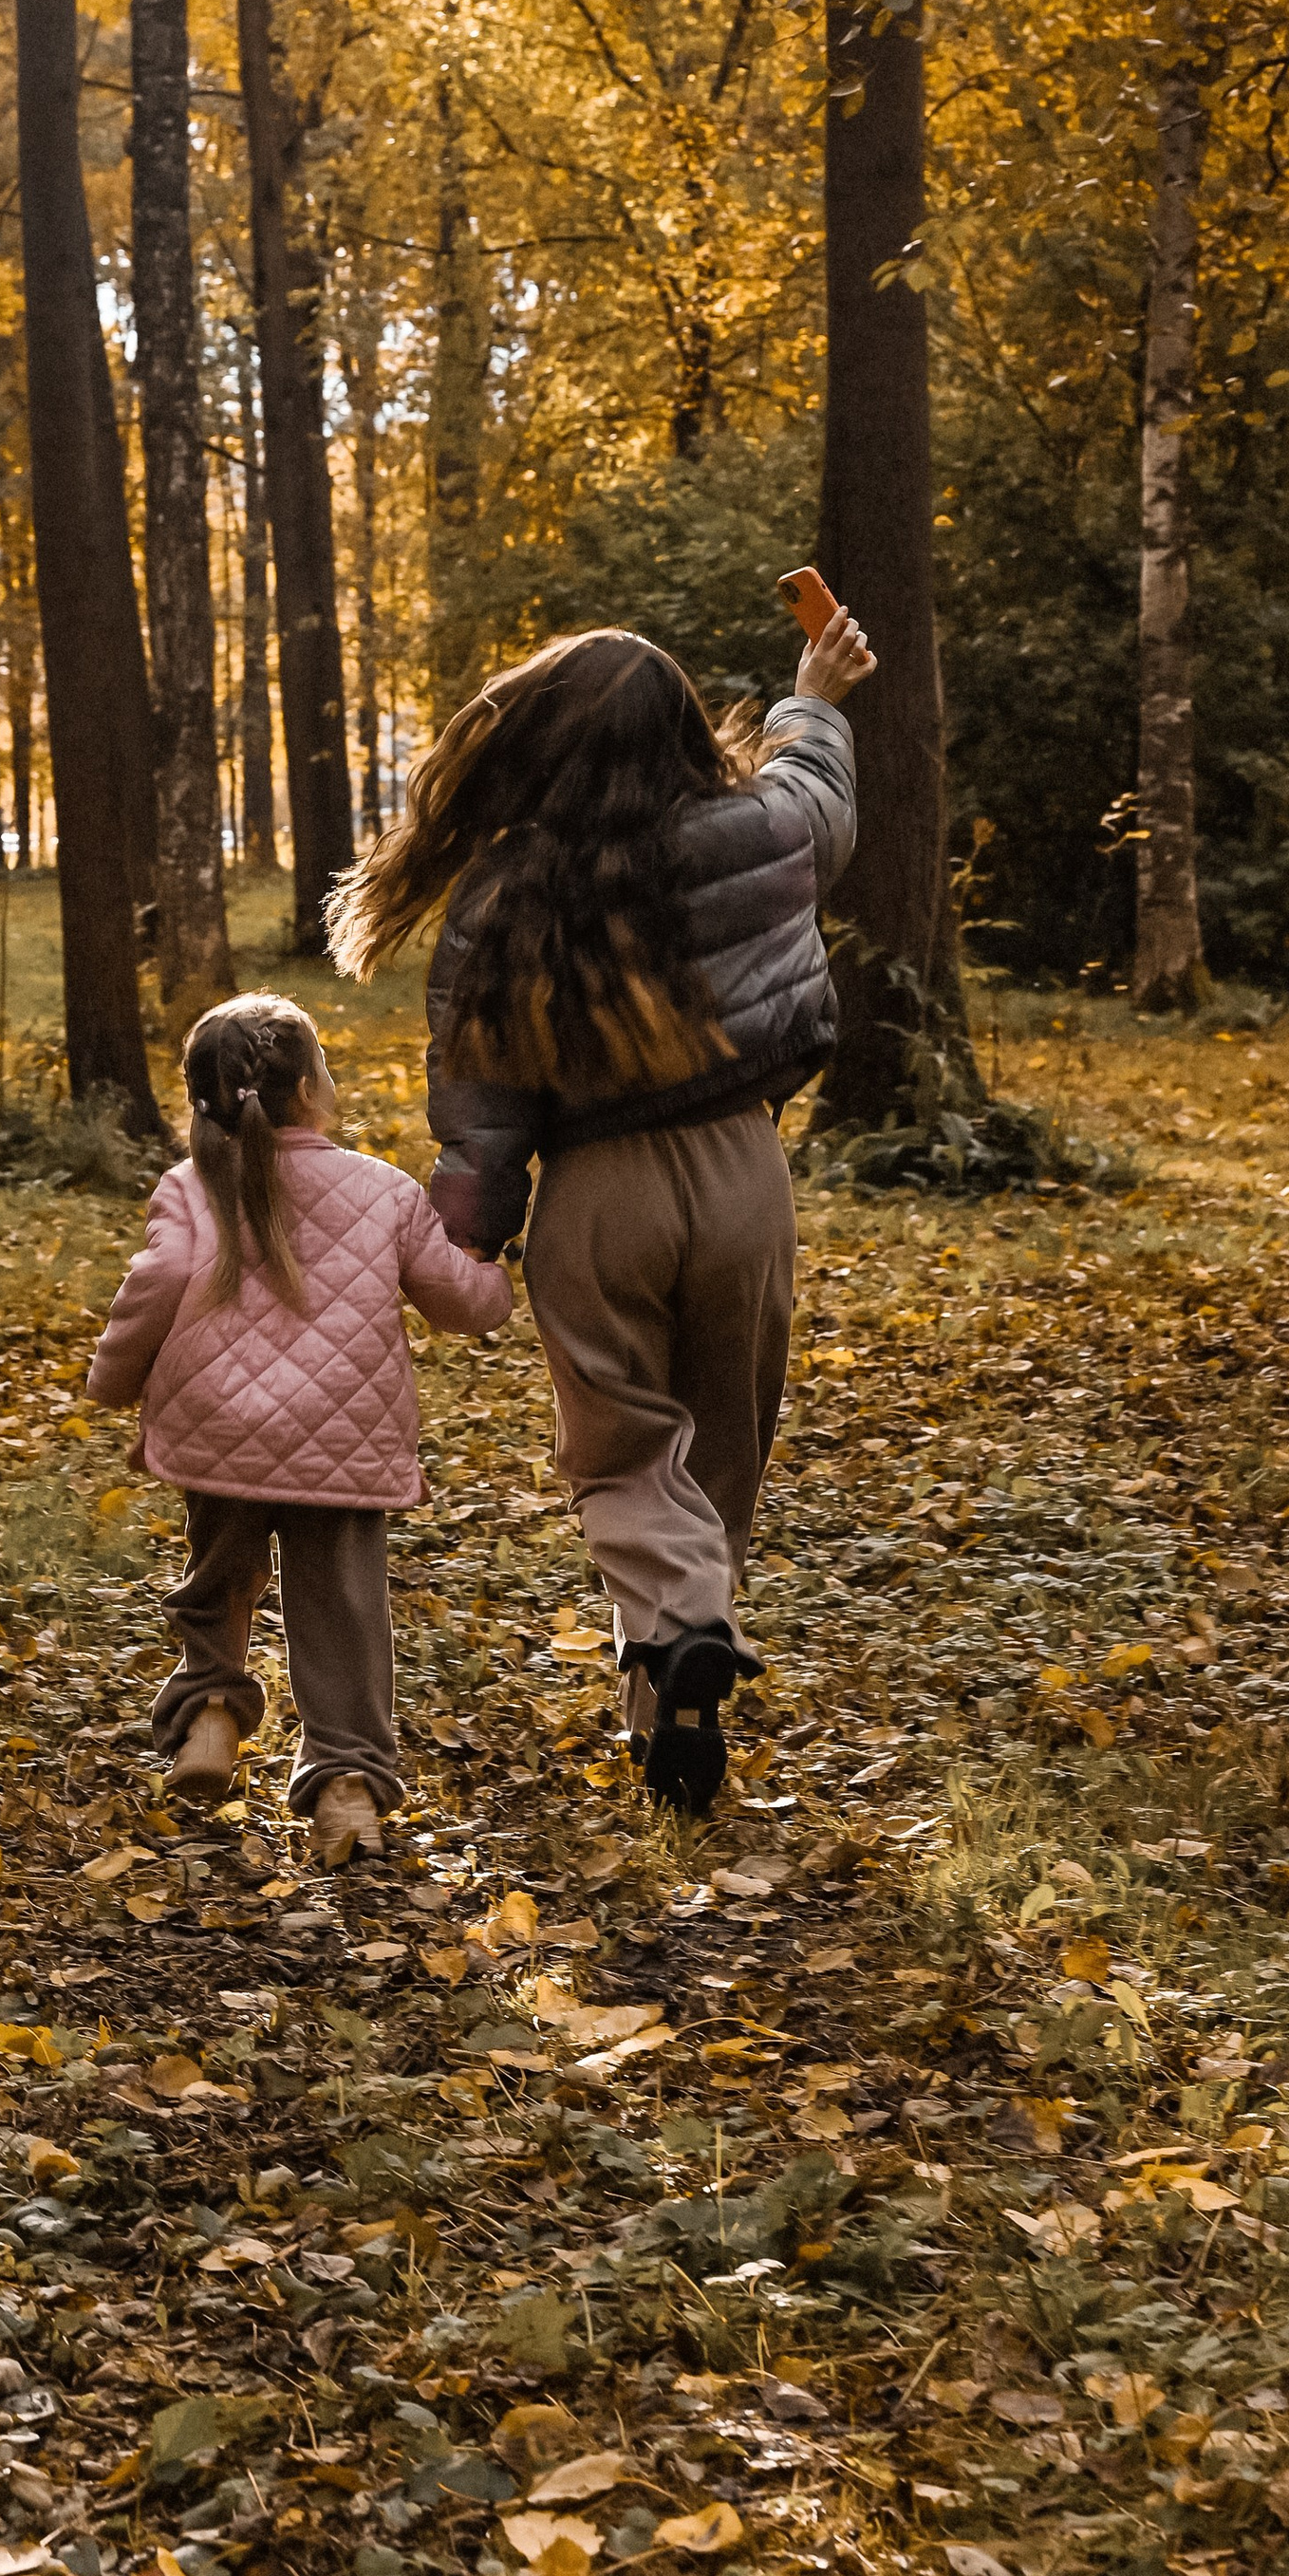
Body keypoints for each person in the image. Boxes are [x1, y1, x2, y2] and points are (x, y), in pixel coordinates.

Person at [327, 609, 871, 1817]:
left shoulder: (503, 894)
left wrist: (466, 1236)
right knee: (723, 1445)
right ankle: (678, 1672)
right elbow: (819, 797)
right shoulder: (764, 831)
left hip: (594, 1196)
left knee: (623, 1451)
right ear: (682, 729)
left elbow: (479, 1105)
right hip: (742, 1176)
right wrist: (811, 694)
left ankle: (672, 1653)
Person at [86, 992, 513, 1866]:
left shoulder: (189, 1186)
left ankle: (209, 1712)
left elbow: (158, 1281)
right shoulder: (381, 1189)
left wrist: (114, 1378)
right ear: (314, 1089)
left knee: (219, 1574)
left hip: (215, 1429)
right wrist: (500, 1273)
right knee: (343, 1607)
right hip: (344, 1436)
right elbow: (458, 1303)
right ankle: (349, 1785)